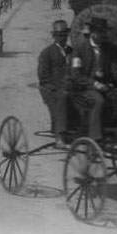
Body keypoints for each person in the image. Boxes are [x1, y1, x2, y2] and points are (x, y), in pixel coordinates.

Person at [69, 17, 117, 140]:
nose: (101, 35)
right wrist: (94, 84)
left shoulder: (108, 49)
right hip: (84, 89)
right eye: (98, 32)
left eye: (103, 32)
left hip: (105, 87)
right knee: (98, 101)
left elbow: (115, 70)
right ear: (92, 32)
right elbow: (76, 75)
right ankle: (95, 137)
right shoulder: (79, 49)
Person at [37, 20, 72, 149]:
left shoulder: (71, 51)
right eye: (60, 35)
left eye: (65, 35)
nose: (63, 38)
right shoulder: (47, 53)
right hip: (50, 89)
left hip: (68, 88)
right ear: (55, 36)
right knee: (62, 98)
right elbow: (43, 77)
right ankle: (60, 137)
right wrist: (57, 87)